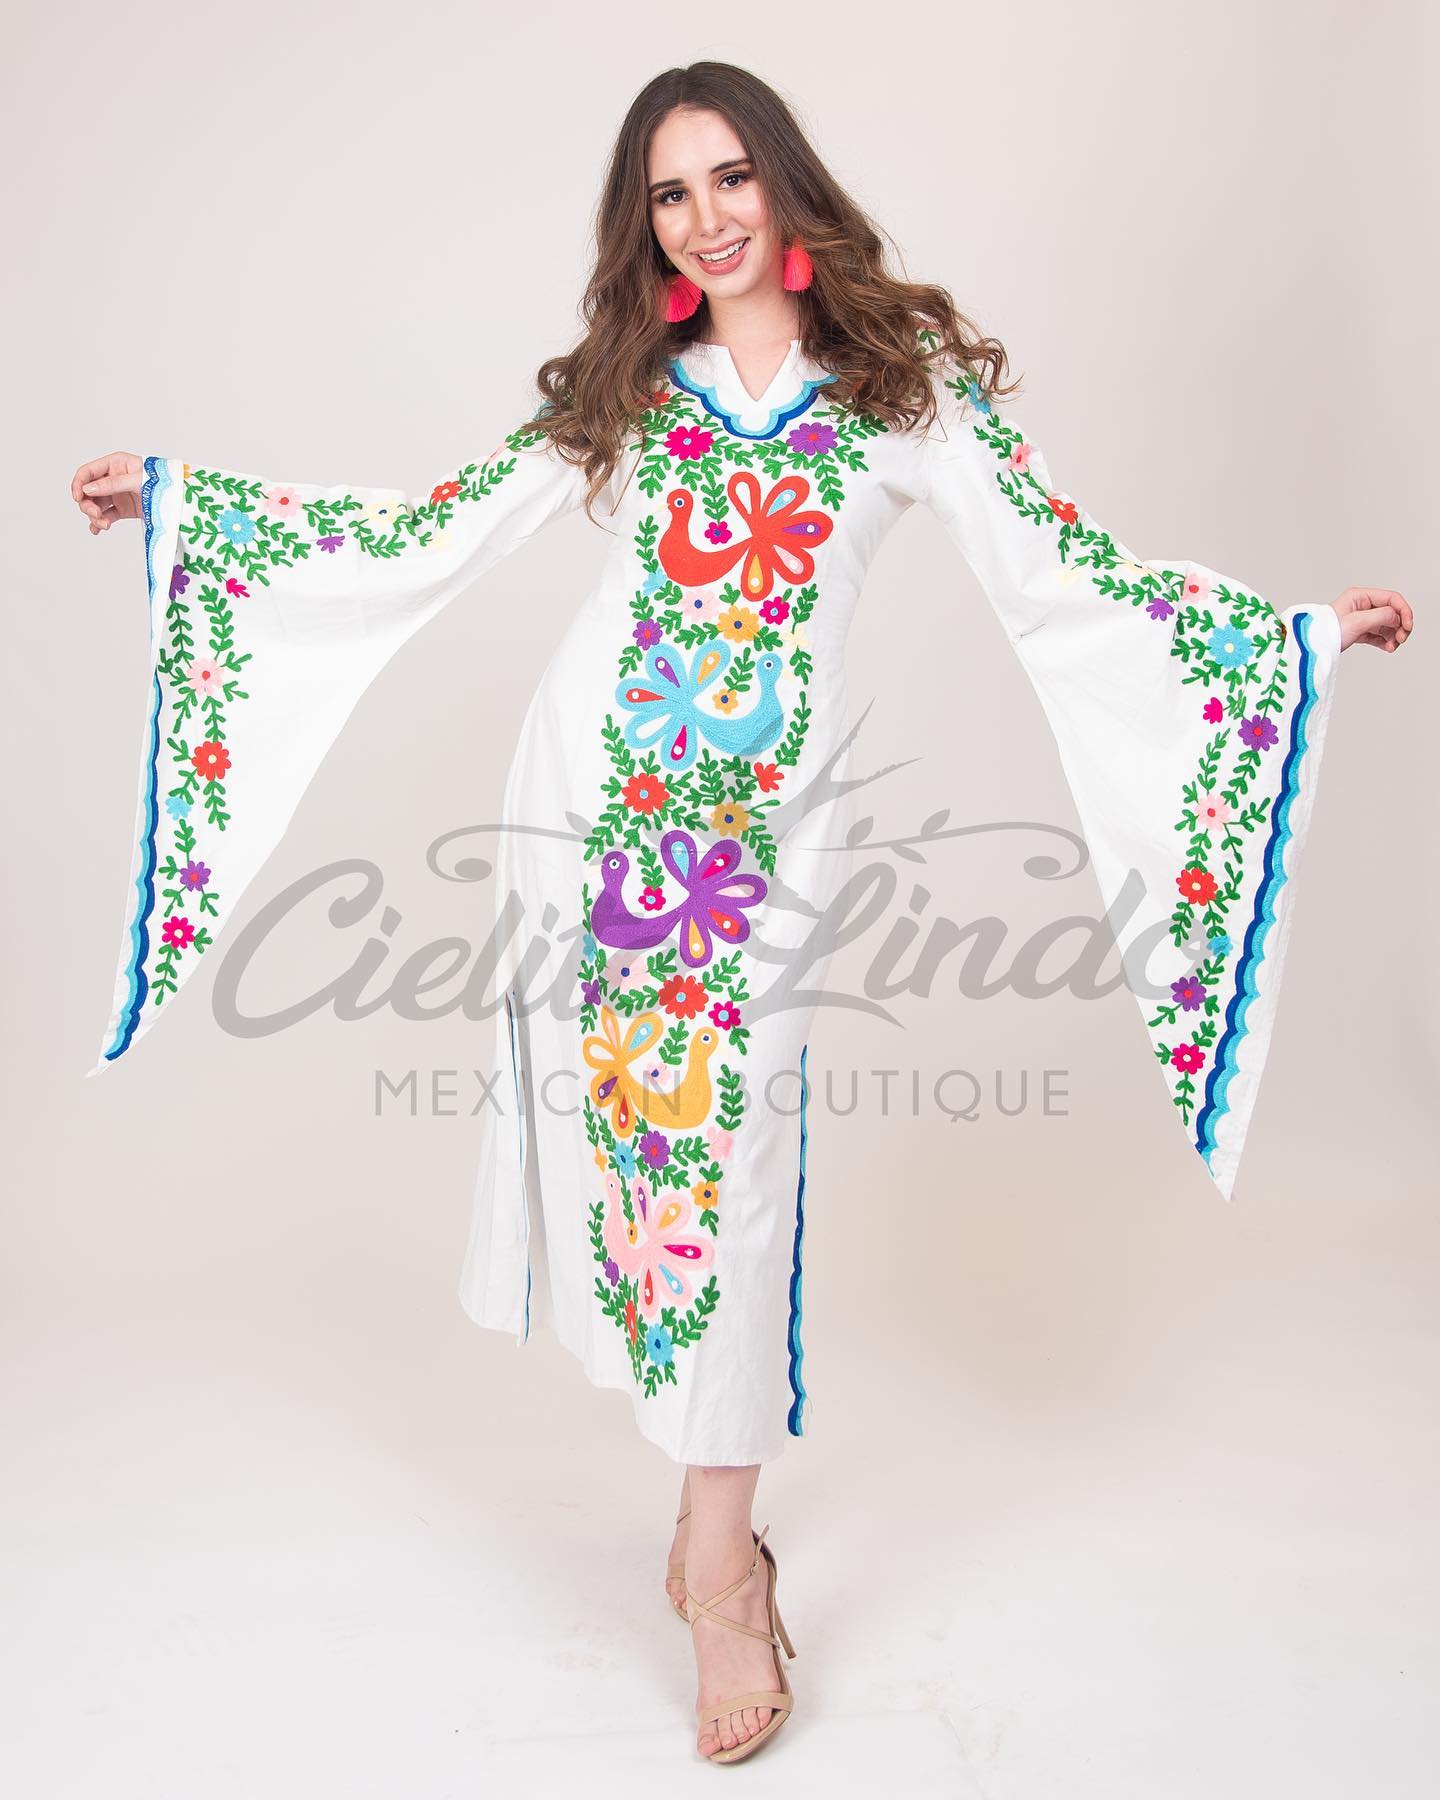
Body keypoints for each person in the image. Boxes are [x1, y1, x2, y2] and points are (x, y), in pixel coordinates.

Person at [71, 61, 1412, 1767]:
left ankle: (719, 1562)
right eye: (668, 193)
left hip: (762, 855)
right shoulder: (630, 393)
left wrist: (1290, 639)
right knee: (644, 1165)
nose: (703, 217)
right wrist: (193, 514)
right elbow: (417, 536)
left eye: (727, 178)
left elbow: (1065, 581)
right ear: (645, 227)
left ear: (783, 185)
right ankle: (712, 1538)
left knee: (742, 1156)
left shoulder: (901, 396)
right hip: (594, 827)